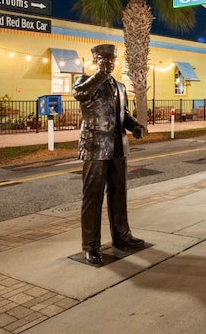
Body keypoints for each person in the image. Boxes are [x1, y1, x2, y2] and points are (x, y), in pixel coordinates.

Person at [73, 44, 146, 265]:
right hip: (95, 147)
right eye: (104, 60)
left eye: (112, 60)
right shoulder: (85, 81)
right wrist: (100, 75)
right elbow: (80, 94)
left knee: (118, 194)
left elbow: (122, 114)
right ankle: (90, 246)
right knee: (93, 197)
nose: (109, 64)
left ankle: (122, 236)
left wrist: (134, 126)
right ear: (96, 61)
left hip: (117, 148)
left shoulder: (120, 87)